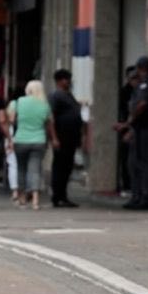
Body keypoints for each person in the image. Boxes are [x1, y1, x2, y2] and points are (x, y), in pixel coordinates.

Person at [118, 57, 148, 211]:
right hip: (144, 127)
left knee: (143, 163)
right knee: (138, 162)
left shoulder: (146, 83)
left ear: (140, 68)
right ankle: (139, 196)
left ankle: (145, 197)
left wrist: (129, 121)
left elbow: (142, 104)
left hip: (146, 127)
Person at [6, 81, 52, 210]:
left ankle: (22, 198)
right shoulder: (45, 105)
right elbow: (48, 125)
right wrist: (52, 139)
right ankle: (35, 200)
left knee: (21, 169)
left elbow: (10, 120)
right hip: (39, 140)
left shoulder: (18, 102)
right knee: (35, 170)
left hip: (20, 139)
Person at [48, 69, 84, 207]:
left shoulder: (69, 95)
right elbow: (50, 118)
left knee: (67, 167)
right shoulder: (56, 96)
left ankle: (62, 195)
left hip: (71, 137)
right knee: (60, 167)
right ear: (59, 81)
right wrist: (54, 138)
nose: (68, 82)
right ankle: (57, 196)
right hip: (61, 137)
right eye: (65, 79)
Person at [115, 66, 137, 194]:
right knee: (126, 159)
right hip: (127, 127)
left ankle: (133, 186)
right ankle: (127, 184)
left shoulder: (139, 90)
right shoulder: (125, 92)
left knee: (135, 160)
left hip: (133, 128)